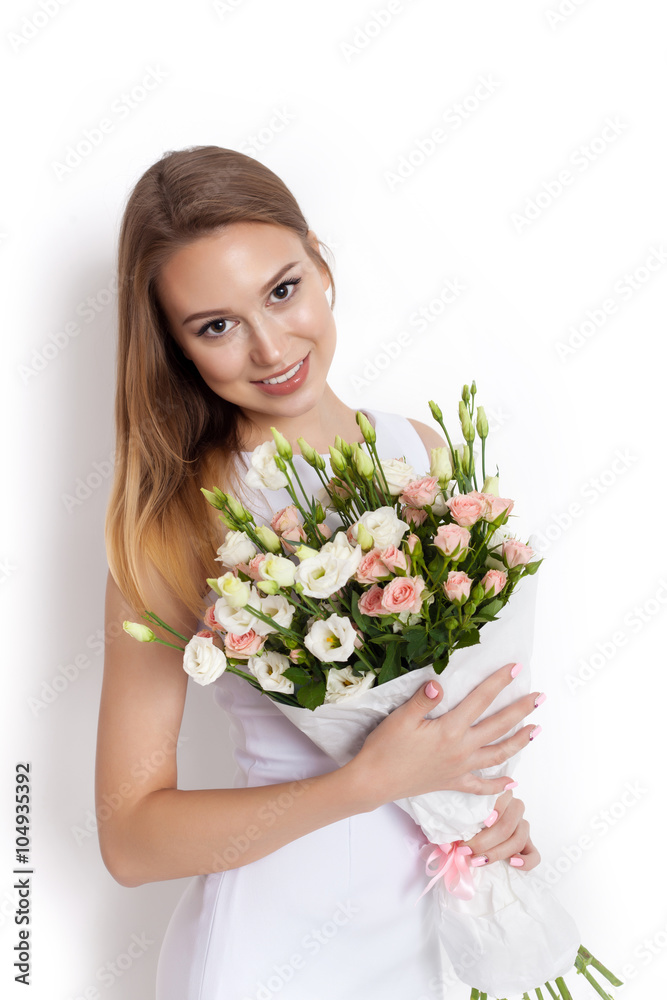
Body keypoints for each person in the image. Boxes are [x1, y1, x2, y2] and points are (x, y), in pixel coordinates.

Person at [96, 145, 544, 999]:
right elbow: (131, 840)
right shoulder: (181, 521)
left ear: (320, 261)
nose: (270, 347)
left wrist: (480, 808)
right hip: (270, 953)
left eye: (282, 288)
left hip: (428, 931)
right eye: (215, 325)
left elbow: (447, 711)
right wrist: (366, 784)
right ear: (177, 345)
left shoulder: (424, 452)